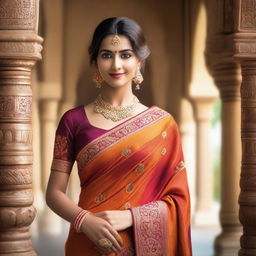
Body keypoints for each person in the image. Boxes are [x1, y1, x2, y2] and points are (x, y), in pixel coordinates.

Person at [46, 17, 192, 256]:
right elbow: (53, 193)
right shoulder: (72, 121)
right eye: (106, 55)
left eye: (125, 55)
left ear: (139, 61)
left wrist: (131, 217)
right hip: (87, 243)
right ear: (94, 61)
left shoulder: (163, 125)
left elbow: (178, 200)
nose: (116, 65)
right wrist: (85, 221)